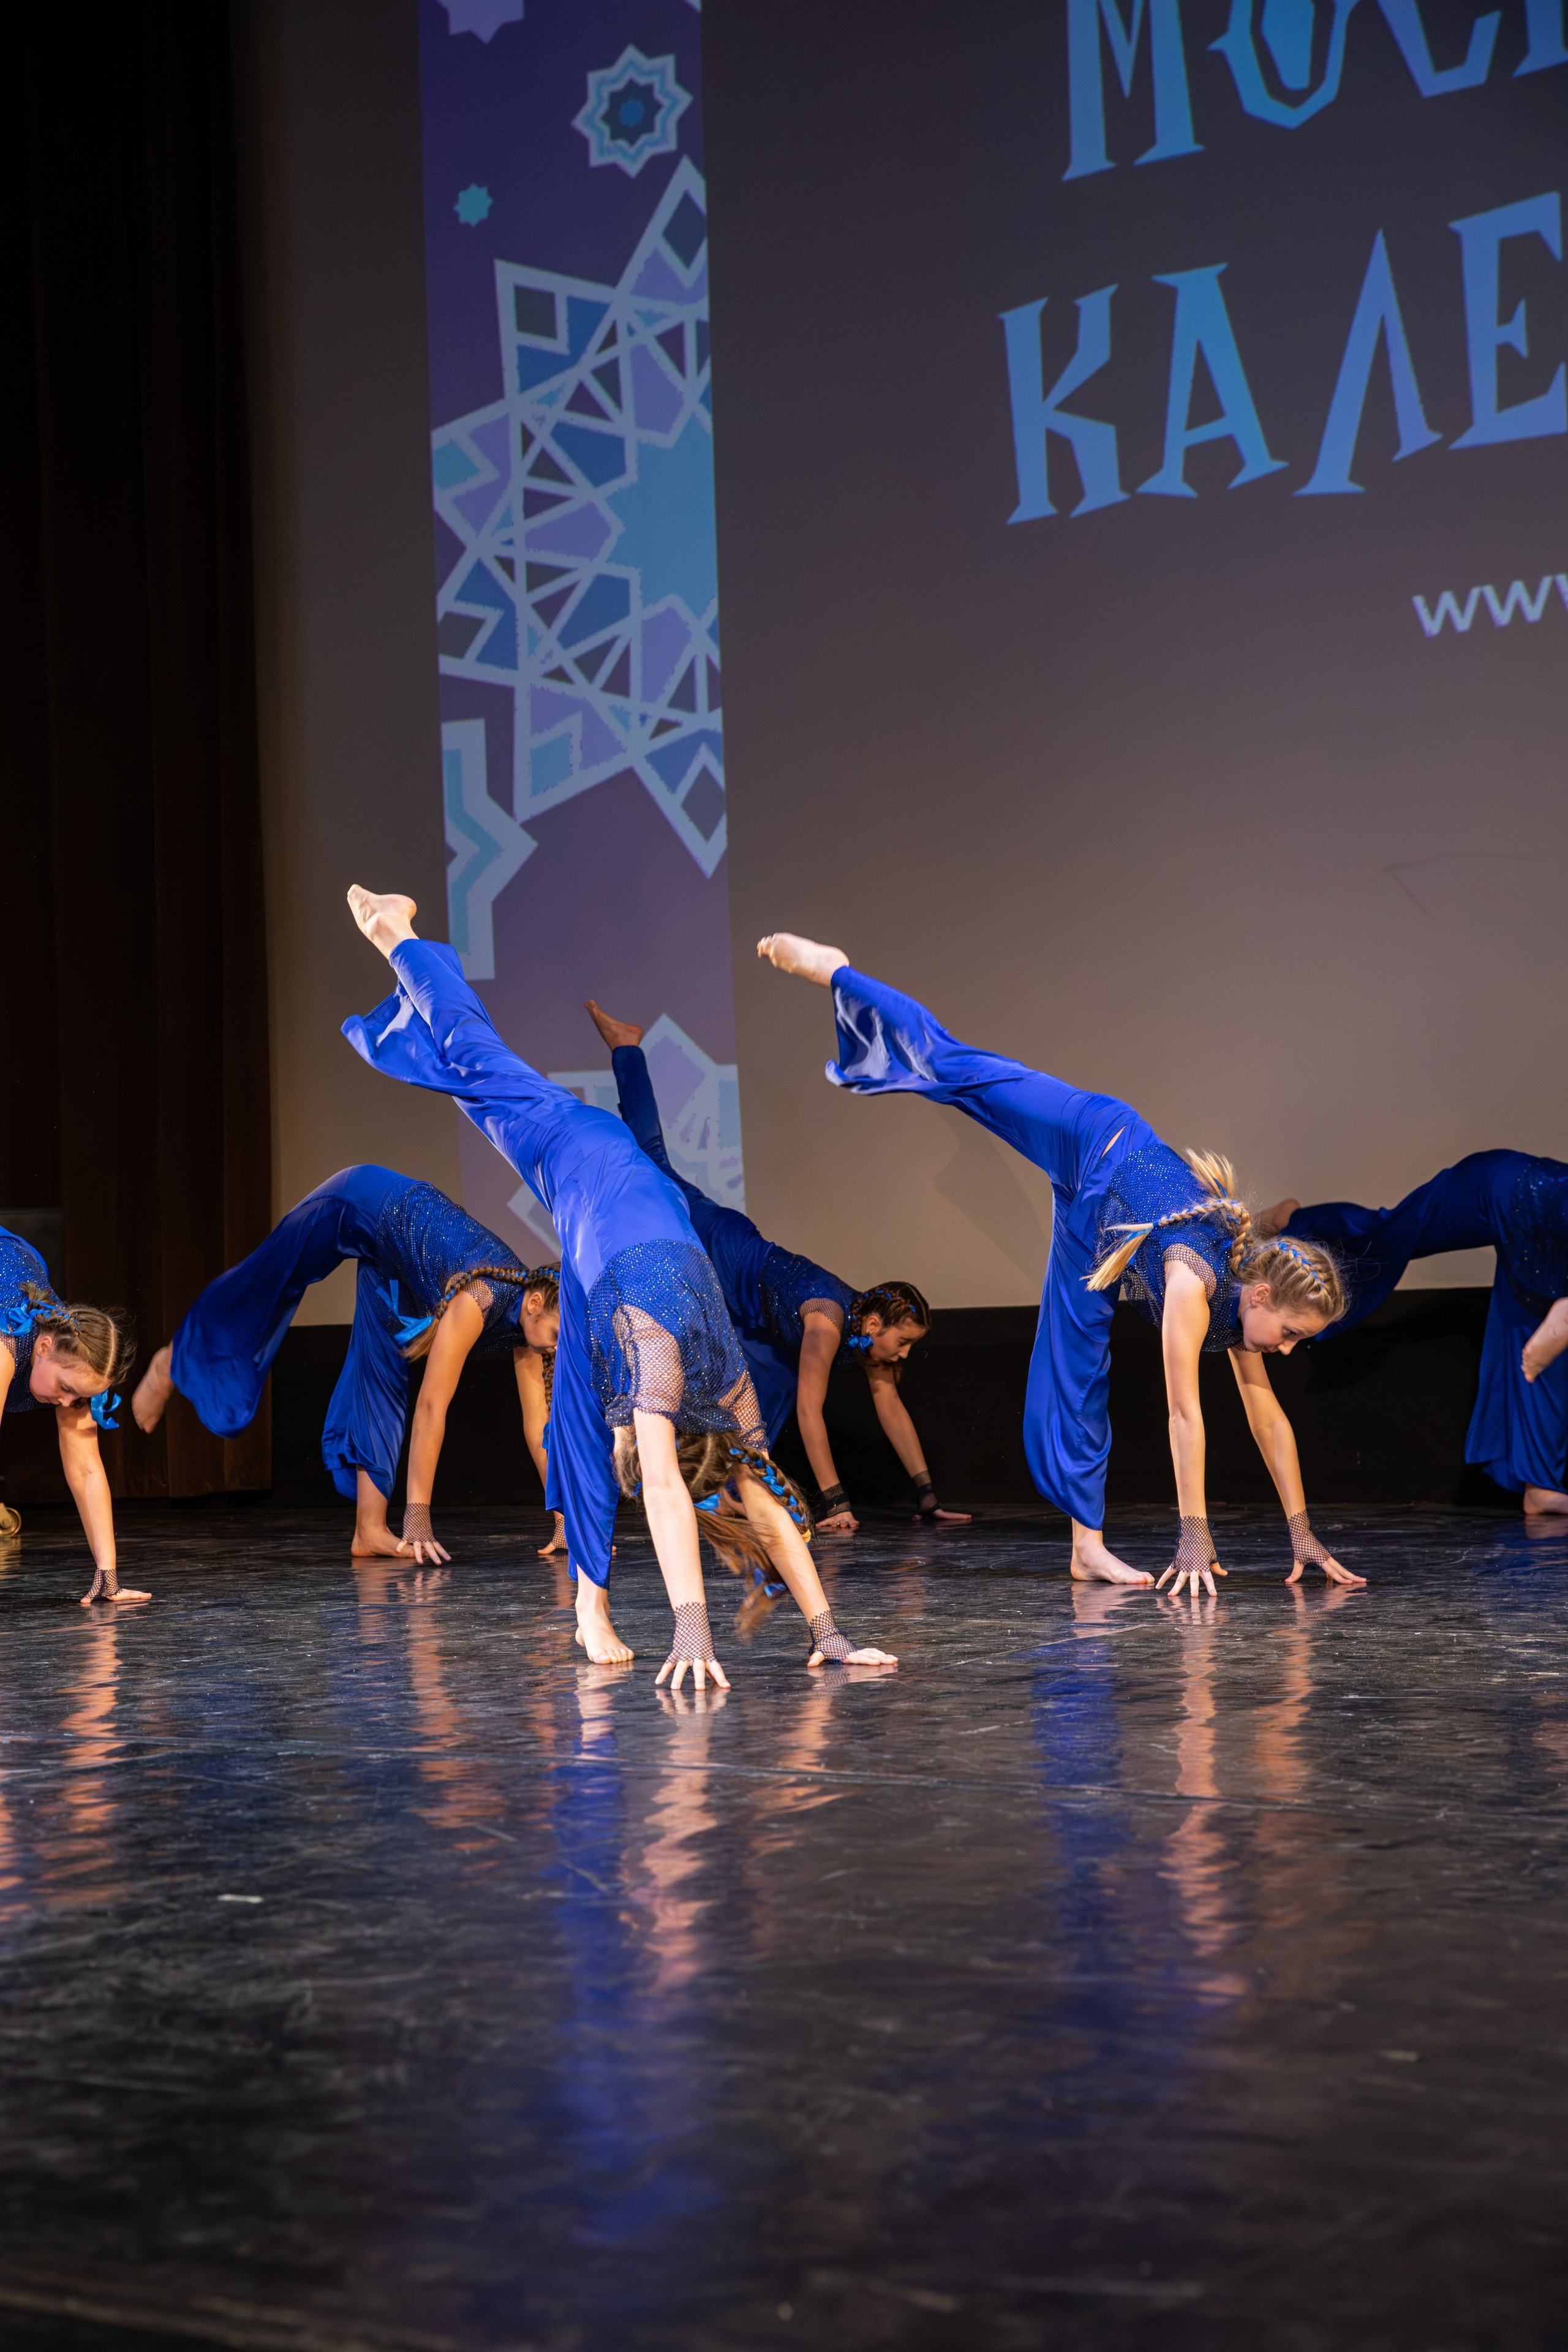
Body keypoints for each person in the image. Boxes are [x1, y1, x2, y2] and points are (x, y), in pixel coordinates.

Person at [341, 889, 896, 1683]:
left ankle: (590, 1603)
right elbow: (672, 1490)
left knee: (577, 1387)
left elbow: (765, 1505)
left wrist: (830, 1636)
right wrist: (693, 1633)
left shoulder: (725, 1392)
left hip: (631, 1199)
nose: (632, 1439)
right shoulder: (659, 1360)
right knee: (475, 1064)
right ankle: (393, 931)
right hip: (581, 1165)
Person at [757, 934, 1363, 1594]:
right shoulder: (1194, 1281)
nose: (1285, 1350)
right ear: (1261, 1295)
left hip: (1095, 1229)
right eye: (1291, 1334)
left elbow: (1267, 1420)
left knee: (1079, 1368)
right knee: (962, 1074)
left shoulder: (1241, 1309)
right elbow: (1183, 1415)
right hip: (1095, 1139)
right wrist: (1193, 1534)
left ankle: (1086, 1548)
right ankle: (841, 975)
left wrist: (1302, 1534)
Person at [584, 1000, 969, 1533]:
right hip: (725, 1249)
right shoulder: (827, 1321)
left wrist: (927, 1497)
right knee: (652, 1161)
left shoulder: (869, 1343)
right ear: (873, 1322)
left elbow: (892, 1412)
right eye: (902, 1342)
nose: (903, 1354)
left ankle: (725, 1487)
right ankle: (627, 1049)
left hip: (754, 1321)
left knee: (767, 1390)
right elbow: (813, 1414)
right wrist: (836, 1503)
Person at [130, 1166, 561, 1569]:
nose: (559, 1348)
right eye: (559, 1334)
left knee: (384, 1370)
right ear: (536, 1304)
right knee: (273, 1275)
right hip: (365, 1201)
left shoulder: (528, 1332)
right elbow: (432, 1406)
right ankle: (176, 1357)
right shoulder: (482, 1298)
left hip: (394, 1260)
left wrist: (565, 1521)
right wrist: (417, 1516)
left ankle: (368, 1530)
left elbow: (537, 1426)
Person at [1261, 1151, 1568, 1517]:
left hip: (1547, 1241)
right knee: (1390, 1231)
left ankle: (1541, 1487)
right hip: (1504, 1187)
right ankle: (1291, 1219)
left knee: (1537, 1345)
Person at [0, 1227, 148, 1605]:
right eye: (65, 1388)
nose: (68, 1404)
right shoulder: (6, 1344)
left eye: (79, 1397)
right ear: (44, 1347)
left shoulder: (72, 1360)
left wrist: (108, 1573)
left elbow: (86, 1469)